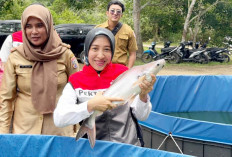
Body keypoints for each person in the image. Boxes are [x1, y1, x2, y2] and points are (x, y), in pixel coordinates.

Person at [53, 28, 156, 146]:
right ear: (87, 51)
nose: (100, 55)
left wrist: (143, 96)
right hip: (95, 151)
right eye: (95, 48)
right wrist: (90, 106)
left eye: (107, 49)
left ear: (112, 52)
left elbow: (142, 116)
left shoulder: (125, 74)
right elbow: (59, 119)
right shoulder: (76, 81)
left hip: (129, 149)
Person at [0, 4, 79, 136]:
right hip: (25, 131)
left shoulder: (65, 54)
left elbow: (78, 91)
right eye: (28, 26)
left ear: (48, 26)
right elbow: (6, 99)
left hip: (58, 131)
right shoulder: (15, 57)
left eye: (39, 25)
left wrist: (77, 127)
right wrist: (3, 133)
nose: (34, 31)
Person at [95, 0, 137, 69]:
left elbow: (132, 54)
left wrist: (127, 71)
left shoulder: (128, 31)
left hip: (120, 69)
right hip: (102, 68)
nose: (115, 13)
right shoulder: (98, 29)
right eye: (112, 11)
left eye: (118, 11)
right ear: (107, 13)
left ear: (121, 15)